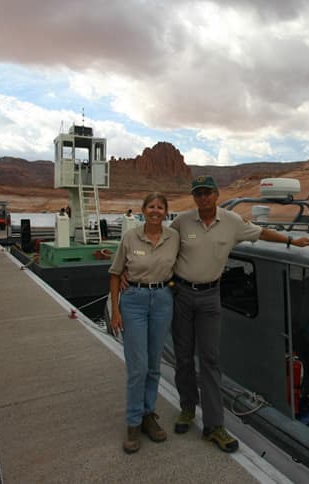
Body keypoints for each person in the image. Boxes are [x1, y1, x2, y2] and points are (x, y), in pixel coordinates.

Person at [170, 175, 309, 453]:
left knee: (210, 359)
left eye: (207, 192)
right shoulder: (181, 222)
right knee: (184, 356)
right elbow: (164, 249)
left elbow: (260, 232)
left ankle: (214, 426)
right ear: (194, 197)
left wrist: (292, 242)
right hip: (182, 295)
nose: (203, 198)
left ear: (216, 194)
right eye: (198, 194)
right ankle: (187, 408)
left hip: (211, 297)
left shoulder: (232, 222)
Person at [108, 192, 179, 454]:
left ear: (166, 211)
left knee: (153, 366)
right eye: (151, 206)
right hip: (134, 301)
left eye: (161, 207)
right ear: (143, 210)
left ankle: (149, 414)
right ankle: (133, 422)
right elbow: (115, 274)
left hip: (162, 300)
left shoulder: (174, 238)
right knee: (137, 368)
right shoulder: (130, 237)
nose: (156, 211)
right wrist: (116, 310)